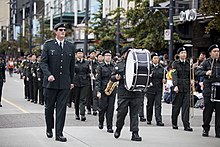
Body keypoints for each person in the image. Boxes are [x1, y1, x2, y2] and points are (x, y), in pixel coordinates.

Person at [40, 23, 75, 142]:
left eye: (64, 30)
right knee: (49, 108)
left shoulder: (70, 46)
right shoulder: (48, 45)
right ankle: (49, 127)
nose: (63, 32)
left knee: (61, 109)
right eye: (60, 30)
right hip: (50, 83)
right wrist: (48, 74)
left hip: (64, 83)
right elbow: (43, 63)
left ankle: (59, 133)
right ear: (55, 31)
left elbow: (72, 66)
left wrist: (71, 81)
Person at [112, 47, 142, 141]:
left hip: (135, 92)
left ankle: (135, 133)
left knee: (134, 115)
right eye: (128, 53)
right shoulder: (119, 64)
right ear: (124, 54)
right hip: (123, 93)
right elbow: (112, 76)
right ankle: (118, 128)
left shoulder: (137, 63)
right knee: (121, 113)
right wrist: (115, 77)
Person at [196, 44, 220, 138]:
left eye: (218, 51)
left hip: (219, 89)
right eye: (214, 51)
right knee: (208, 111)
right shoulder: (206, 62)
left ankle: (218, 131)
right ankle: (206, 129)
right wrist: (206, 73)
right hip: (209, 89)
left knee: (219, 111)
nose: (217, 53)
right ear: (210, 53)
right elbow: (197, 72)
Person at [171, 47, 193, 132]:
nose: (184, 54)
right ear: (179, 54)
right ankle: (174, 122)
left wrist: (192, 80)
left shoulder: (188, 64)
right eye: (182, 53)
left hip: (187, 87)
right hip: (178, 87)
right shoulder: (175, 63)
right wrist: (175, 85)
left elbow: (191, 75)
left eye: (185, 53)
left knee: (186, 107)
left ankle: (186, 125)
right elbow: (174, 75)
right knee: (176, 106)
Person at [96, 50, 116, 133]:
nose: (108, 57)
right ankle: (101, 121)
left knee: (111, 108)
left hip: (112, 89)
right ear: (104, 57)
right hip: (103, 89)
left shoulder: (114, 66)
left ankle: (109, 126)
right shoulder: (100, 66)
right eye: (107, 55)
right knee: (102, 108)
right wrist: (98, 91)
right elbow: (98, 80)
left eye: (109, 55)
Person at [146, 52, 165, 126]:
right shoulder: (149, 68)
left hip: (158, 89)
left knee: (158, 105)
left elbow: (164, 77)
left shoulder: (162, 68)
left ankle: (159, 120)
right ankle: (149, 119)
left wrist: (164, 80)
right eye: (155, 58)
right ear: (152, 59)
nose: (156, 60)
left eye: (157, 58)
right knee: (150, 105)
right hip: (150, 88)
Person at [73, 48, 90, 121]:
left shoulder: (87, 63)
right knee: (76, 99)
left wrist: (90, 75)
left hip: (85, 82)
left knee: (83, 99)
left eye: (81, 53)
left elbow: (88, 71)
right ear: (76, 55)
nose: (80, 54)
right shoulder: (73, 62)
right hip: (76, 82)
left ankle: (82, 114)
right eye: (78, 53)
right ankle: (77, 113)